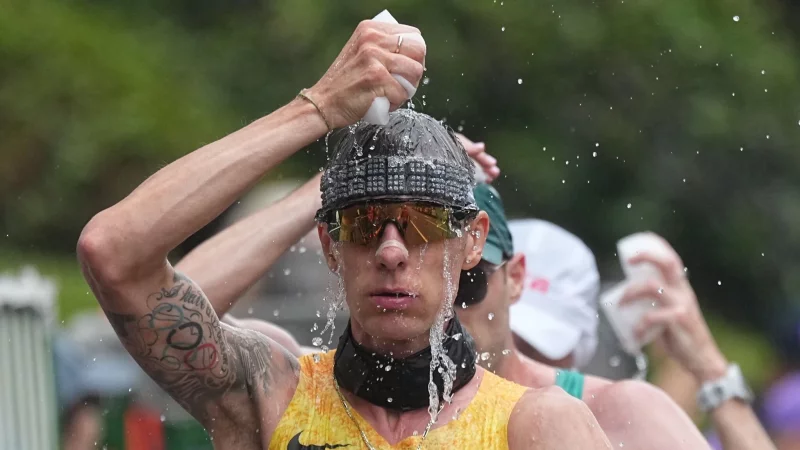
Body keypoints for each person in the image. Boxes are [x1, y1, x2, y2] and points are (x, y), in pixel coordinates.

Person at [77, 19, 610, 449]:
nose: (392, 251)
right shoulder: (273, 396)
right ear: (331, 247)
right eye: (363, 223)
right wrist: (319, 108)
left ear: (473, 242)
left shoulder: (536, 426)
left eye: (422, 222)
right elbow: (115, 253)